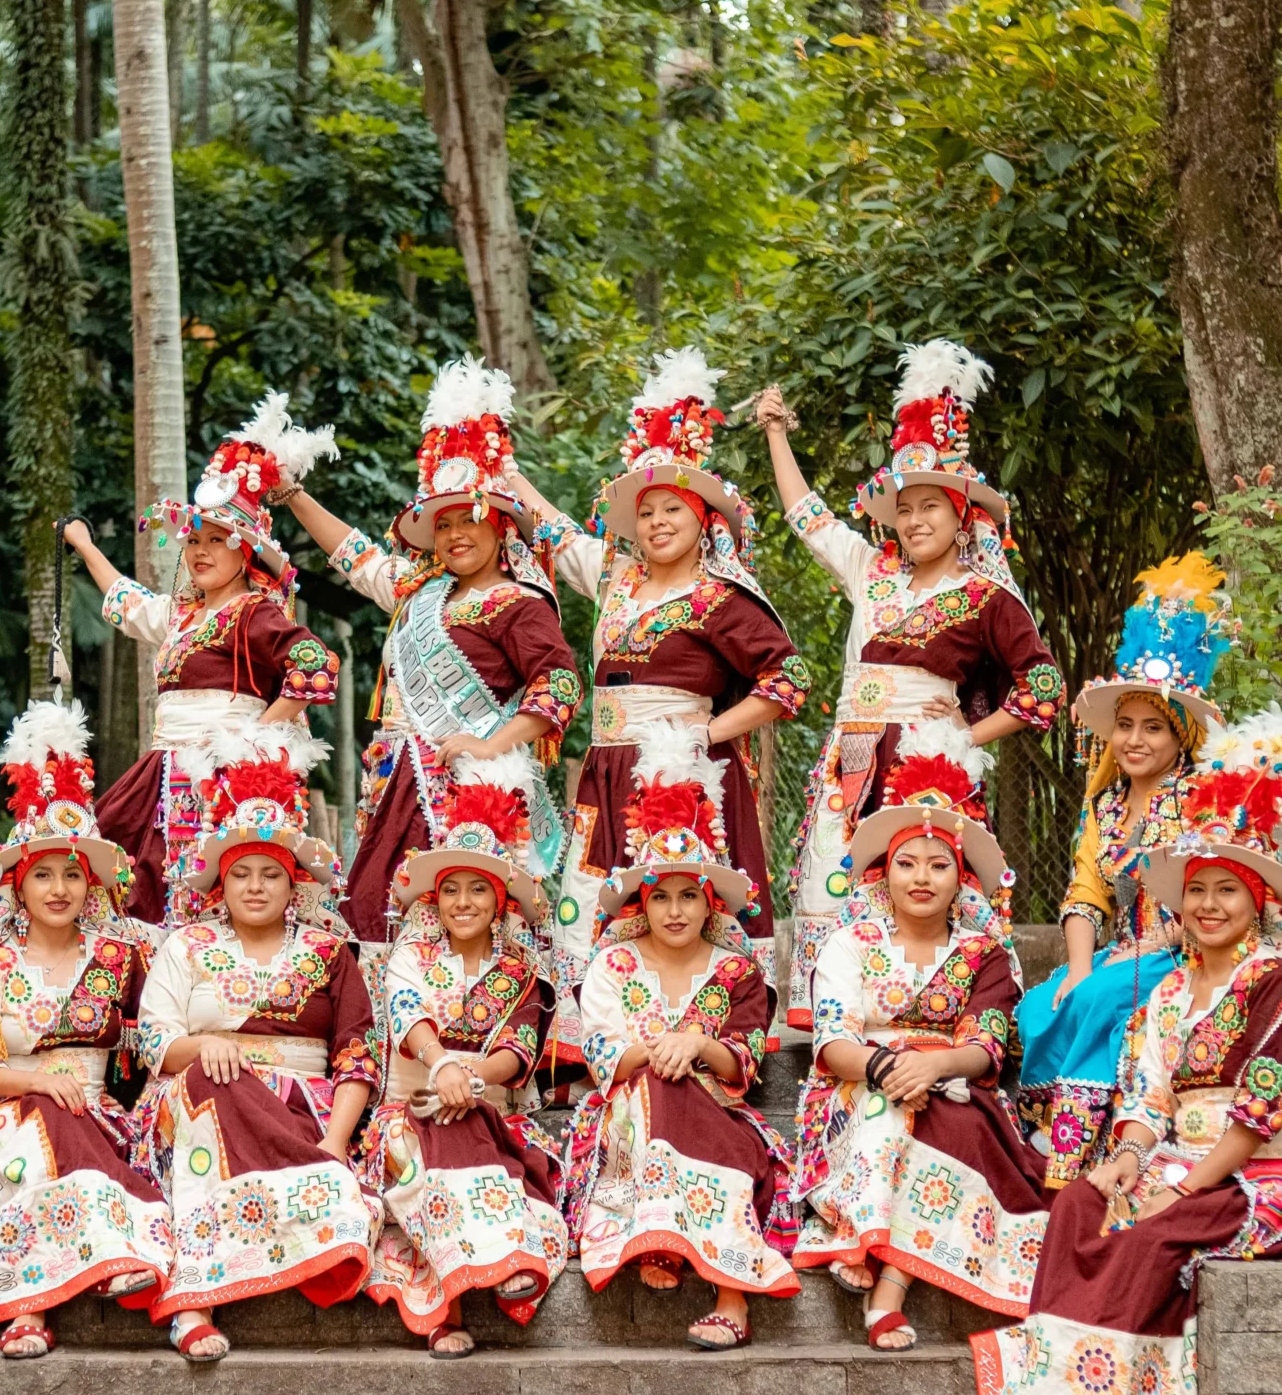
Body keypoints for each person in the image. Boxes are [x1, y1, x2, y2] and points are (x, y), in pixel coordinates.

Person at [973, 709, 1282, 1395]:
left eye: (1226, 891)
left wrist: (1182, 1183)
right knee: (1080, 1203)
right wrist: (1125, 1163)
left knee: (1149, 1236)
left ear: (1256, 902)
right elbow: (1148, 1099)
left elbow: (1261, 1114)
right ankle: (1056, 1388)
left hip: (1265, 1177)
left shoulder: (1276, 986)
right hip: (1177, 1159)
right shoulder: (1169, 993)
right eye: (1198, 891)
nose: (1209, 906)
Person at [749, 342, 1066, 1026]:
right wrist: (777, 433)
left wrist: (961, 738)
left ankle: (941, 1019)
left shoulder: (984, 595)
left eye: (932, 507)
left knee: (925, 889)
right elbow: (808, 518)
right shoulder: (871, 571)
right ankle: (838, 1023)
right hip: (850, 758)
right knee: (835, 884)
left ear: (962, 516)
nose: (917, 519)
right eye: (906, 507)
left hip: (929, 765)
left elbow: (1043, 687)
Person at [508, 348, 811, 973]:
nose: (656, 521)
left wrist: (705, 732)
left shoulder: (720, 595)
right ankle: (598, 1044)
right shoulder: (616, 576)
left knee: (681, 906)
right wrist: (500, 466)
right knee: (594, 903)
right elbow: (555, 530)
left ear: (702, 519)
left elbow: (788, 680)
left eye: (672, 508)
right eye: (644, 512)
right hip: (607, 768)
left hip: (685, 770)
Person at [278, 359, 581, 951]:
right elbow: (355, 555)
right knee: (375, 908)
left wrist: (492, 743)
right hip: (395, 781)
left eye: (469, 519)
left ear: (501, 528)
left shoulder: (518, 602)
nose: (454, 535)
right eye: (441, 525)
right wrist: (292, 496)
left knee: (456, 922)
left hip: (467, 787)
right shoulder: (419, 591)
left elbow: (561, 686)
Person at [787, 725, 1052, 1350]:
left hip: (954, 1088)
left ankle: (886, 1287)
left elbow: (986, 1046)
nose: (922, 878)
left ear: (961, 877)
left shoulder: (984, 953)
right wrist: (887, 1069)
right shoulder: (849, 943)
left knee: (945, 1125)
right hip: (857, 1085)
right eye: (907, 863)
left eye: (939, 865)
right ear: (886, 870)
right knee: (887, 1112)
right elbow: (831, 1042)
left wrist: (930, 1069)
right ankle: (866, 1236)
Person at [133, 731, 382, 1361]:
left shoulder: (329, 953)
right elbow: (154, 1039)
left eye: (271, 873)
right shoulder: (185, 946)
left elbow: (356, 1054)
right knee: (207, 1088)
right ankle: (194, 1303)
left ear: (293, 882)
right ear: (219, 881)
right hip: (204, 1102)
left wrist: (332, 1143)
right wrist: (209, 1044)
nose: (254, 886)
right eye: (240, 872)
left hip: (308, 1115)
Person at [0, 702, 170, 1359]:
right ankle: (38, 1299)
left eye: (73, 872)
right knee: (34, 1142)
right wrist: (41, 1079)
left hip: (101, 1117)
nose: (60, 886)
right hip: (8, 1115)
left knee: (75, 1139)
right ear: (17, 883)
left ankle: (47, 1296)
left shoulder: (122, 955)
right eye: (42, 872)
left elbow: (143, 1046)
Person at [62, 393, 343, 926]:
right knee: (121, 874)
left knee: (209, 896)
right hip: (161, 772)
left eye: (218, 539)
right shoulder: (182, 616)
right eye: (194, 539)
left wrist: (255, 737)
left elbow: (316, 665)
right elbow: (128, 603)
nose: (201, 550)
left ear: (247, 552)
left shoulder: (254, 612)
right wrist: (84, 547)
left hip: (223, 776)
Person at [561, 728, 800, 1350]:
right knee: (656, 1090)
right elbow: (603, 1053)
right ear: (641, 901)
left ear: (710, 901)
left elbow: (743, 1058)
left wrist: (699, 1046)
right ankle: (662, 1236)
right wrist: (663, 1050)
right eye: (660, 896)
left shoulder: (737, 969)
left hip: (718, 1110)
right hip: (627, 1109)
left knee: (694, 1106)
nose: (674, 910)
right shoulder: (612, 965)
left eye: (688, 896)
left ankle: (730, 1295)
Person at [1018, 555, 1233, 1186]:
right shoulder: (1105, 803)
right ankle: (1048, 1125)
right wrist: (1080, 964)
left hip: (1185, 949)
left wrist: (1132, 958)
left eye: (1154, 728)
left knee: (1106, 995)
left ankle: (1075, 1156)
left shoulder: (1200, 800)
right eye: (1125, 727)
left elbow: (1215, 894)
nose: (1135, 740)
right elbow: (1086, 890)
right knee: (1042, 1003)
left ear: (1182, 738)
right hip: (1120, 951)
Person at [359, 754, 569, 1356]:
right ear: (435, 897)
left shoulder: (521, 970)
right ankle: (451, 1302)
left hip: (492, 1114)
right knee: (429, 1144)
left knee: (473, 1131)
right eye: (450, 889)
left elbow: (517, 1049)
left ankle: (476, 1277)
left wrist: (471, 1080)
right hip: (410, 1110)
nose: (464, 901)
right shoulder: (409, 955)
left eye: (479, 889)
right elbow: (407, 1015)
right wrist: (444, 1067)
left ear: (501, 900)